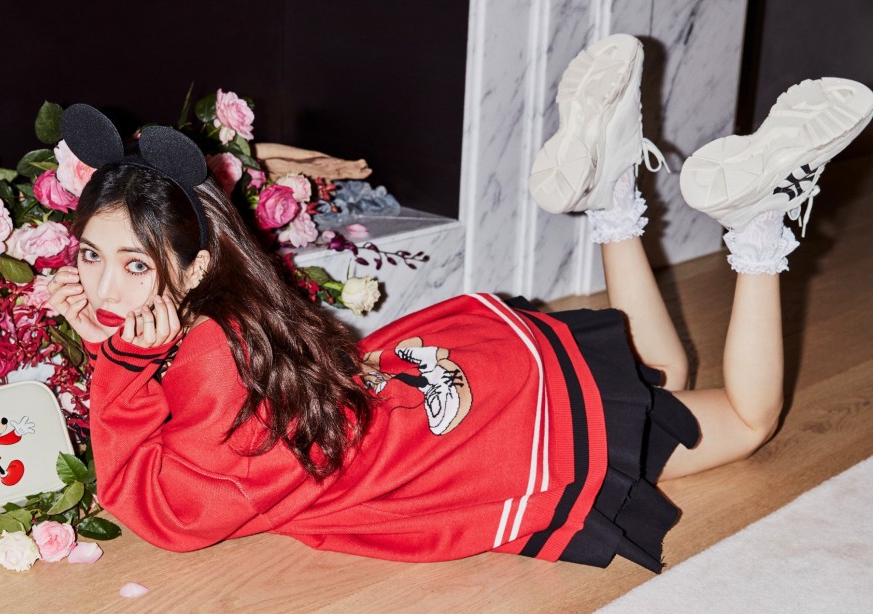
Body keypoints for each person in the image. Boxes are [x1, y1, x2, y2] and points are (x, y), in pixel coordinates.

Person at [48, 34, 872, 573]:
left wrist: (116, 362)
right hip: (448, 391)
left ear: (195, 267)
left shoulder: (207, 358)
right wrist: (123, 351)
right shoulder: (224, 315)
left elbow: (168, 513)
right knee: (662, 372)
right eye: (91, 255)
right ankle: (612, 179)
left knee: (751, 422)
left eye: (133, 263)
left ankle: (760, 220)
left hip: (482, 444)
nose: (105, 285)